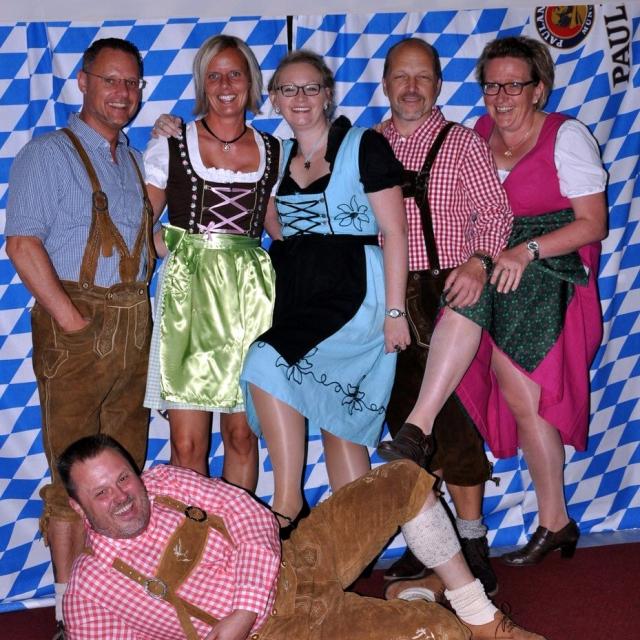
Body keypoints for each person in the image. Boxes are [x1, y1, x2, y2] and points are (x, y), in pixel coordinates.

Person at [379, 35, 607, 567]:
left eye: (514, 85)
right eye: (492, 86)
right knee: (502, 393)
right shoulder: (477, 134)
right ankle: (546, 520)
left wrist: (525, 250)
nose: (501, 97)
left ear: (538, 89)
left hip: (547, 270)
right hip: (494, 271)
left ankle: (551, 519)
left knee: (528, 399)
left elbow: (593, 224)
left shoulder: (565, 135)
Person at [59, 434, 546, 639]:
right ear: (79, 509)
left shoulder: (165, 482)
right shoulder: (90, 590)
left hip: (297, 560)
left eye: (124, 478)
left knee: (401, 479)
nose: (122, 496)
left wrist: (242, 610)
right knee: (438, 635)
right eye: (101, 493)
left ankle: (479, 614)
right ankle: (419, 601)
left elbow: (251, 518)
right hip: (281, 634)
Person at [5, 38, 154, 638]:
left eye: (132, 84)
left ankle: (114, 598)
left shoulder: (133, 159)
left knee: (124, 468)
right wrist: (71, 321)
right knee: (72, 474)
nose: (122, 93)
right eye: (110, 81)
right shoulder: (47, 153)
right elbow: (21, 243)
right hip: (79, 329)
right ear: (84, 82)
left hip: (133, 323)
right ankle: (72, 614)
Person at [238, 49, 410, 533]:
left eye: (310, 88)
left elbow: (394, 232)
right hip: (297, 289)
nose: (300, 98)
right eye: (288, 89)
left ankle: (287, 502)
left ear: (327, 95)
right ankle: (357, 546)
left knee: (265, 361)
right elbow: (278, 230)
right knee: (340, 423)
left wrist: (395, 312)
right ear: (274, 99)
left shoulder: (363, 145)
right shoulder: (275, 156)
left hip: (353, 291)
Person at [375, 38, 512, 595]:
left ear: (437, 84)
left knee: (451, 421)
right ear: (385, 83)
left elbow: (496, 215)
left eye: (422, 77)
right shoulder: (369, 143)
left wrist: (478, 263)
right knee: (400, 419)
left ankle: (472, 540)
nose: (411, 87)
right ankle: (430, 536)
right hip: (386, 294)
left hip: (447, 289)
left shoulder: (461, 142)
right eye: (401, 76)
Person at [143, 34, 280, 490]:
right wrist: (172, 244)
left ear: (250, 82)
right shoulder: (172, 143)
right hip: (189, 299)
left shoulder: (273, 150)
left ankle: (237, 531)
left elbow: (279, 228)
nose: (225, 85)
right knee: (187, 445)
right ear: (202, 83)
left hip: (250, 299)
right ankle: (195, 533)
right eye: (214, 75)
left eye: (234, 74)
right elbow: (138, 225)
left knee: (242, 435)